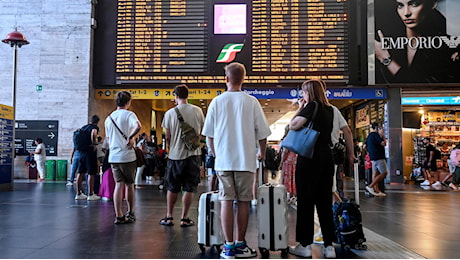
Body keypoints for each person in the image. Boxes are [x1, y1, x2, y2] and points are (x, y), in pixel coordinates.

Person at [202, 62, 271, 259]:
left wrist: (217, 154)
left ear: (226, 79)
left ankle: (228, 247)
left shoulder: (217, 102)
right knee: (243, 202)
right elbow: (263, 134)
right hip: (245, 162)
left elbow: (209, 136)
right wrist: (262, 153)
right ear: (244, 79)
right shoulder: (252, 102)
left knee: (225, 201)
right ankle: (241, 244)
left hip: (223, 161)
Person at [287, 79, 336, 259]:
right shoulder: (330, 109)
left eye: (304, 92)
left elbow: (293, 125)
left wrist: (301, 107)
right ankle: (329, 246)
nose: (302, 95)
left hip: (309, 158)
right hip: (326, 158)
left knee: (306, 202)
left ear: (309, 92)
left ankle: (305, 245)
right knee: (324, 203)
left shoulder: (311, 106)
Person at [374, 0, 460, 83]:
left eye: (414, 4)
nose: (406, 13)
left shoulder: (448, 45)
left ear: (432, 4)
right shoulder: (384, 40)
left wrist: (386, 59)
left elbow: (423, 86)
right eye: (400, 5)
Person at [159, 84, 205, 227]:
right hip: (193, 154)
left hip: (175, 155)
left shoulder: (170, 113)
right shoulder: (198, 111)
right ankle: (185, 218)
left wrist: (171, 147)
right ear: (187, 95)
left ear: (176, 96)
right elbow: (201, 132)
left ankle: (169, 216)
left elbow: (167, 136)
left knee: (172, 187)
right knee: (189, 187)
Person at [105, 90, 141, 224]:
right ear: (128, 102)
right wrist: (131, 137)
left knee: (118, 185)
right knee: (130, 185)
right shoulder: (129, 114)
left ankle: (118, 215)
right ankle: (130, 212)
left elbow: (108, 139)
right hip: (127, 156)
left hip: (113, 156)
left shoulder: (109, 118)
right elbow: (138, 126)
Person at [74, 115, 101, 201]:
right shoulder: (94, 127)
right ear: (97, 122)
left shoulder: (83, 127)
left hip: (81, 152)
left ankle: (78, 193)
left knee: (80, 172)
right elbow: (94, 133)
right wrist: (94, 143)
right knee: (91, 173)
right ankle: (90, 194)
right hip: (89, 152)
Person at [365, 122, 388, 196]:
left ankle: (376, 191)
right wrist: (383, 136)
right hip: (379, 156)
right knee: (384, 173)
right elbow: (383, 143)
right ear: (377, 128)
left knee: (375, 173)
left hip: (372, 157)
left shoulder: (369, 136)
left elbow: (365, 146)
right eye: (380, 127)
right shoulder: (376, 135)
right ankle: (370, 186)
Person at [279, 125, 297, 203]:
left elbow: (285, 152)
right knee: (294, 178)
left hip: (288, 161)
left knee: (287, 178)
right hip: (295, 160)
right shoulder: (296, 139)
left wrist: (281, 162)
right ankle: (294, 196)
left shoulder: (287, 139)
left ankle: (289, 196)